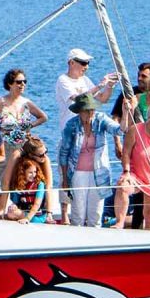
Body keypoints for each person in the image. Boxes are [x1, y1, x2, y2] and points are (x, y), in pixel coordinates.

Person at [58, 94, 122, 228]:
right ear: (79, 111)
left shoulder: (101, 119)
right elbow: (63, 153)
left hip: (99, 173)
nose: (90, 113)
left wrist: (126, 112)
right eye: (86, 110)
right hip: (77, 173)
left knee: (96, 214)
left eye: (92, 109)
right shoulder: (71, 125)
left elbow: (119, 130)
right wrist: (64, 179)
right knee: (78, 214)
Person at [0, 68, 48, 185]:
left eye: (24, 82)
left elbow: (43, 117)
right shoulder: (0, 102)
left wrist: (29, 126)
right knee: (4, 183)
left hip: (24, 148)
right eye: (19, 82)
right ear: (10, 84)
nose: (22, 84)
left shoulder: (26, 103)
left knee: (22, 182)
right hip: (6, 147)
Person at [0, 138, 51, 223]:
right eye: (41, 155)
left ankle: (43, 216)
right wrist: (2, 210)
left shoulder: (45, 160)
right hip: (22, 201)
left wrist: (49, 213)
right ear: (31, 155)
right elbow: (6, 183)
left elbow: (49, 186)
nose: (44, 156)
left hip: (35, 207)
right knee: (10, 211)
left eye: (46, 152)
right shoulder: (17, 156)